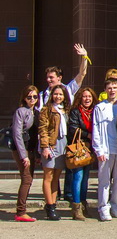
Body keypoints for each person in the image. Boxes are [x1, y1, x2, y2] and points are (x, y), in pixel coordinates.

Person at [93, 77, 117, 221]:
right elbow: (96, 129)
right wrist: (99, 150)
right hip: (106, 150)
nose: (112, 90)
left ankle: (115, 205)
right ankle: (103, 208)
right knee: (104, 181)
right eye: (109, 88)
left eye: (114, 87)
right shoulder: (99, 107)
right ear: (105, 90)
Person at [38, 84, 70, 221]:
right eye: (56, 94)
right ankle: (49, 206)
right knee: (48, 176)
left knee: (56, 177)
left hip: (63, 144)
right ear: (52, 95)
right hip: (51, 144)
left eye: (61, 94)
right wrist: (45, 146)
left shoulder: (65, 110)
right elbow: (43, 129)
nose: (58, 96)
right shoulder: (46, 110)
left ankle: (53, 204)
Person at [67, 86, 98, 221]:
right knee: (78, 176)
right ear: (80, 98)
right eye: (85, 96)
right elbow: (73, 128)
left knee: (85, 178)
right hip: (79, 148)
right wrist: (88, 135)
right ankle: (76, 208)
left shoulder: (95, 110)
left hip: (90, 148)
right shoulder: (75, 111)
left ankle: (84, 206)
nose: (87, 99)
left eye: (89, 96)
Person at [12, 85, 39, 222]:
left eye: (35, 96)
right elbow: (17, 134)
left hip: (32, 149)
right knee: (26, 178)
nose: (32, 99)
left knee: (29, 179)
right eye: (29, 97)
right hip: (22, 149)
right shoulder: (21, 111)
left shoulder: (37, 112)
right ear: (24, 98)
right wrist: (24, 156)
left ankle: (22, 210)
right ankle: (21, 211)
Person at [38, 44, 89, 108]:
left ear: (59, 78)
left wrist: (84, 57)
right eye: (47, 77)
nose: (48, 80)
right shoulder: (42, 95)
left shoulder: (69, 89)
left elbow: (82, 74)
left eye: (51, 77)